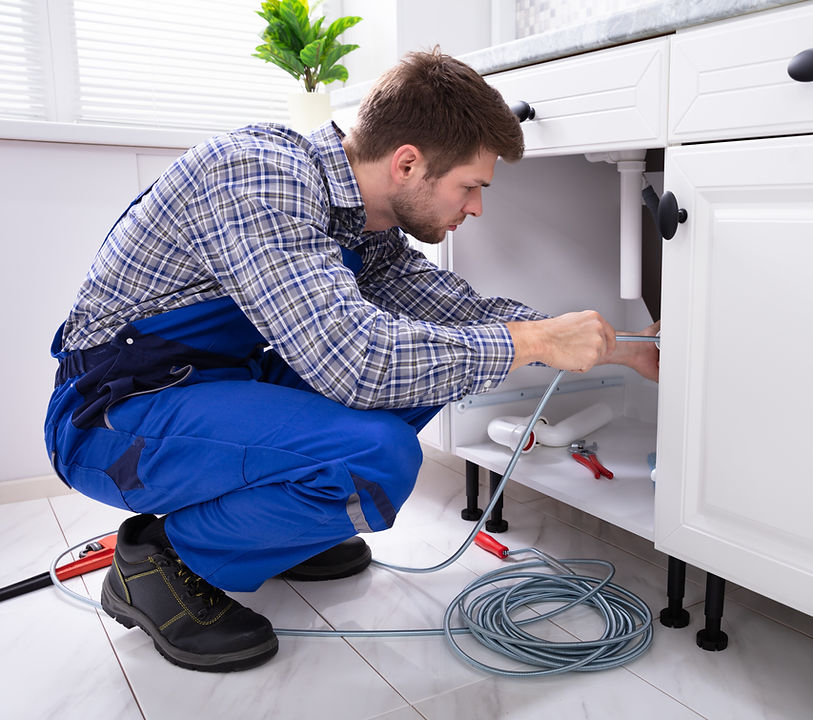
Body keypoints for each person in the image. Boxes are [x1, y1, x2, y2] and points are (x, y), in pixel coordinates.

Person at [45, 48, 659, 673]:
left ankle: (273, 533)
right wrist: (531, 344)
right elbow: (358, 362)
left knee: (433, 357)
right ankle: (160, 561)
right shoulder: (261, 176)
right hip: (115, 414)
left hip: (215, 387)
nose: (476, 208)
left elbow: (460, 314)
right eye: (471, 186)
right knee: (376, 456)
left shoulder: (367, 224)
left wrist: (621, 346)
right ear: (408, 162)